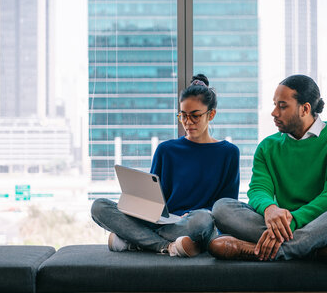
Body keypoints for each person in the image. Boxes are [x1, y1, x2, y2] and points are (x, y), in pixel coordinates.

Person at [208, 74, 327, 267]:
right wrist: (270, 209)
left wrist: (293, 221)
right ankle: (317, 251)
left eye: (282, 106)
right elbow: (257, 189)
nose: (274, 112)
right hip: (296, 231)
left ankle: (265, 251)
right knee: (222, 208)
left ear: (305, 108)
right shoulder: (267, 146)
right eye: (274, 104)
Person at [91, 74, 240, 257]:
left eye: (195, 116)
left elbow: (225, 205)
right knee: (99, 207)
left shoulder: (229, 152)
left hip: (195, 224)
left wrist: (195, 214)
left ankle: (134, 240)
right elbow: (154, 200)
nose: (188, 122)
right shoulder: (166, 150)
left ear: (211, 114)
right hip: (164, 223)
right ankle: (167, 247)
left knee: (202, 220)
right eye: (183, 116)